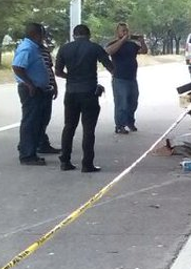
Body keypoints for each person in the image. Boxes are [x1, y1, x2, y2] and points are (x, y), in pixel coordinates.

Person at [55, 24, 114, 173]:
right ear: (89, 35)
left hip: (71, 92)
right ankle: (87, 164)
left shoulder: (64, 48)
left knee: (69, 126)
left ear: (74, 35)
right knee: (88, 129)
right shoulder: (94, 48)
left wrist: (72, 77)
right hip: (89, 92)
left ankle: (65, 161)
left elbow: (58, 72)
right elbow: (110, 66)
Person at [12, 22, 54, 166]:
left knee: (39, 121)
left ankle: (33, 147)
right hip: (31, 90)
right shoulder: (27, 48)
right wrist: (30, 83)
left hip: (40, 89)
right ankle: (27, 154)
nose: (44, 36)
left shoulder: (35, 47)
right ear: (36, 34)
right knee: (30, 122)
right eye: (43, 33)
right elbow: (17, 67)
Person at [105, 23, 147, 134]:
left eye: (126, 31)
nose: (125, 33)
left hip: (132, 78)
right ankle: (120, 125)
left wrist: (142, 41)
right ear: (117, 32)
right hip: (119, 78)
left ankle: (130, 122)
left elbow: (144, 51)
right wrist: (122, 40)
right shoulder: (113, 44)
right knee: (121, 103)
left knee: (133, 102)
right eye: (122, 31)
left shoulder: (132, 45)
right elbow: (108, 52)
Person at [36, 26, 60, 155]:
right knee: (34, 118)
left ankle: (42, 143)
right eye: (41, 35)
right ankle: (28, 144)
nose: (43, 38)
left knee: (45, 118)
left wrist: (54, 85)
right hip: (36, 88)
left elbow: (50, 68)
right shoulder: (32, 50)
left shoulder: (45, 50)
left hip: (47, 87)